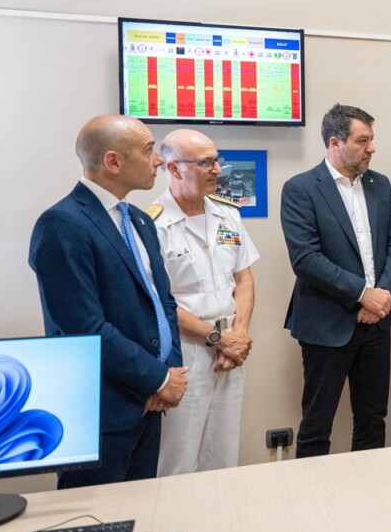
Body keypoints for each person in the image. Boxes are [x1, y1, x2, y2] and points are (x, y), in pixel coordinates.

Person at [28, 115, 186, 487]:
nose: (159, 160)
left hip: (149, 405)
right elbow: (85, 326)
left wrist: (169, 374)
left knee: (141, 517)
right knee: (93, 529)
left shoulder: (139, 221)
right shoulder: (61, 224)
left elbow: (164, 303)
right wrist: (156, 378)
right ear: (113, 161)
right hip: (102, 410)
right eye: (149, 150)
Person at [281, 104, 391, 456]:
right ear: (335, 143)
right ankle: (313, 504)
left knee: (372, 420)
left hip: (377, 324)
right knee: (317, 425)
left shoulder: (380, 185)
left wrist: (381, 297)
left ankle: (366, 501)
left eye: (372, 140)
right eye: (363, 140)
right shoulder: (301, 189)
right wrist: (363, 295)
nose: (372, 148)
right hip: (327, 324)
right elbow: (305, 259)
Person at [152, 129, 259, 475]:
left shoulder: (228, 214)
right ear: (174, 168)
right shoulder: (151, 224)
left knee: (223, 453)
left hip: (230, 349)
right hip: (186, 351)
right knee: (178, 456)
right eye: (205, 163)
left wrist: (238, 335)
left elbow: (243, 278)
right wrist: (218, 338)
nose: (217, 169)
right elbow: (160, 301)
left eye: (216, 161)